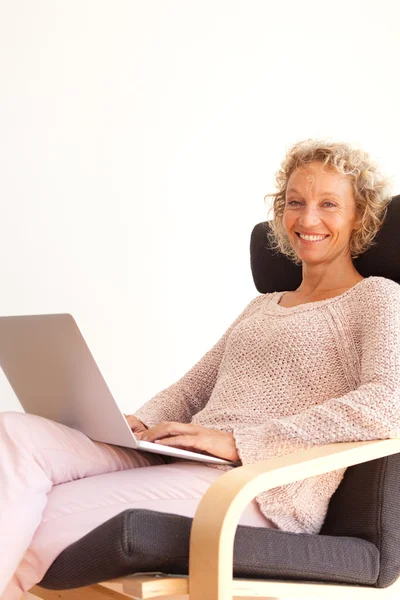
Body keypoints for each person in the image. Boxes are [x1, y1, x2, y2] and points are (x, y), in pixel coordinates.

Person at [1, 139, 400, 599]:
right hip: (188, 457)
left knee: (31, 516)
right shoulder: (262, 305)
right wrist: (138, 423)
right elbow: (194, 388)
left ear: (360, 216)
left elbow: (388, 402)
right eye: (295, 202)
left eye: (328, 204)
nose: (307, 219)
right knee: (12, 433)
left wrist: (240, 443)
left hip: (257, 488)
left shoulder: (376, 298)